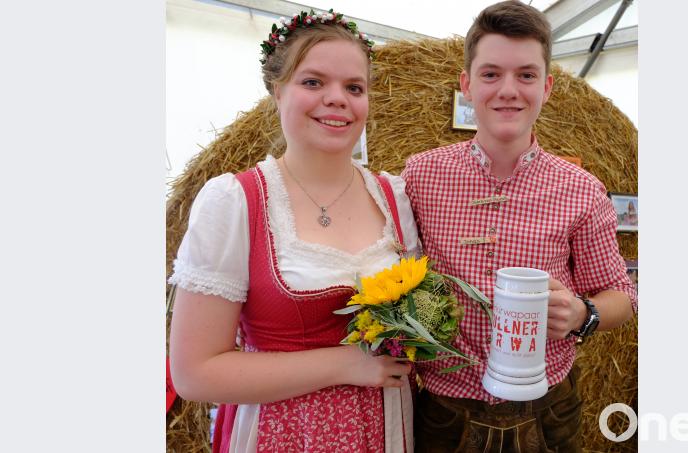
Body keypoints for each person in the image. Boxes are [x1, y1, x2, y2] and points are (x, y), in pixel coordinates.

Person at [168, 10, 419, 453]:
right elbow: (194, 373)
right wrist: (346, 363)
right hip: (281, 434)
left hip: (384, 429)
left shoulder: (393, 196)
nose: (337, 98)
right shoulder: (235, 202)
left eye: (354, 88)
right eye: (313, 82)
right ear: (277, 90)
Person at [400, 2, 638, 451]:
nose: (508, 90)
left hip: (548, 409)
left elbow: (622, 297)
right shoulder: (419, 176)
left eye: (526, 75)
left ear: (547, 88)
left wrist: (583, 314)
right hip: (444, 408)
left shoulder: (582, 190)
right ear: (466, 85)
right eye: (491, 74)